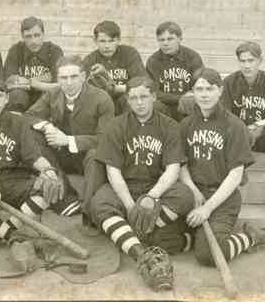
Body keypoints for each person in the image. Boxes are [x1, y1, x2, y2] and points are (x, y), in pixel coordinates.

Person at [90, 76, 194, 291]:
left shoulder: (169, 125)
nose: (139, 102)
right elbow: (113, 170)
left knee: (185, 195)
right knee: (99, 202)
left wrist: (151, 197)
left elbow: (173, 168)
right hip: (126, 186)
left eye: (144, 96)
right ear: (127, 100)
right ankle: (141, 253)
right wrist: (130, 206)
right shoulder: (116, 125)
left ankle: (131, 236)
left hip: (156, 188)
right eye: (134, 97)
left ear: (154, 97)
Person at [0, 77, 79, 253]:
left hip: (15, 179)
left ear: (7, 98)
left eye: (0, 96)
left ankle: (0, 234)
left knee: (46, 189)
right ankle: (11, 237)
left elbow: (33, 157)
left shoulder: (18, 123)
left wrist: (48, 170)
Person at [179, 67, 265, 268]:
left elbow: (236, 175)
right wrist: (193, 191)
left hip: (222, 197)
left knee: (208, 256)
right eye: (199, 89)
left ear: (220, 91)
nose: (204, 94)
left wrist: (208, 208)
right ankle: (199, 237)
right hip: (193, 194)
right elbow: (181, 164)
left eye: (209, 89)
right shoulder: (185, 124)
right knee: (161, 239)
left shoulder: (235, 126)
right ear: (193, 92)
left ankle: (250, 237)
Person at [26, 55, 115, 230]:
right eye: (63, 78)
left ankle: (89, 212)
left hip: (87, 158)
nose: (68, 82)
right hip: (62, 157)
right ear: (57, 79)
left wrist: (68, 140)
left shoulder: (102, 98)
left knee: (95, 153)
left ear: (83, 76)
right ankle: (63, 191)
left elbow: (105, 139)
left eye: (73, 77)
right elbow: (28, 116)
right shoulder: (53, 94)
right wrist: (47, 126)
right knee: (33, 135)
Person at [82, 20, 146, 115]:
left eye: (111, 41)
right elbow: (87, 92)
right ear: (95, 41)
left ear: (119, 40)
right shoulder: (90, 60)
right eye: (102, 41)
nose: (107, 46)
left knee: (130, 100)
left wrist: (115, 88)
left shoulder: (129, 53)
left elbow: (141, 83)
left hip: (127, 102)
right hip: (104, 104)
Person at [146, 21, 203, 121]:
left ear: (180, 39)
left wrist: (189, 96)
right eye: (161, 40)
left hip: (186, 104)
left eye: (170, 39)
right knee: (152, 104)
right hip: (164, 105)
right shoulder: (153, 61)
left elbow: (201, 83)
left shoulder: (192, 57)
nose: (165, 43)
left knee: (192, 102)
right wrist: (179, 98)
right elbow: (153, 91)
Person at [4, 16, 63, 112]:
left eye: (37, 35)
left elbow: (59, 86)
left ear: (43, 35)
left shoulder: (54, 50)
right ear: (22, 37)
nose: (33, 41)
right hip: (21, 98)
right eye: (28, 36)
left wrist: (30, 82)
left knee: (53, 96)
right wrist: (42, 78)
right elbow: (9, 83)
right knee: (16, 94)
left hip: (45, 96)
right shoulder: (16, 50)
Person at [222, 41, 265, 151]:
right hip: (238, 132)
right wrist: (241, 130)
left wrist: (259, 126)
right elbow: (225, 113)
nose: (247, 66)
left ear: (260, 60)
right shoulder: (229, 82)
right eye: (243, 61)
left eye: (251, 61)